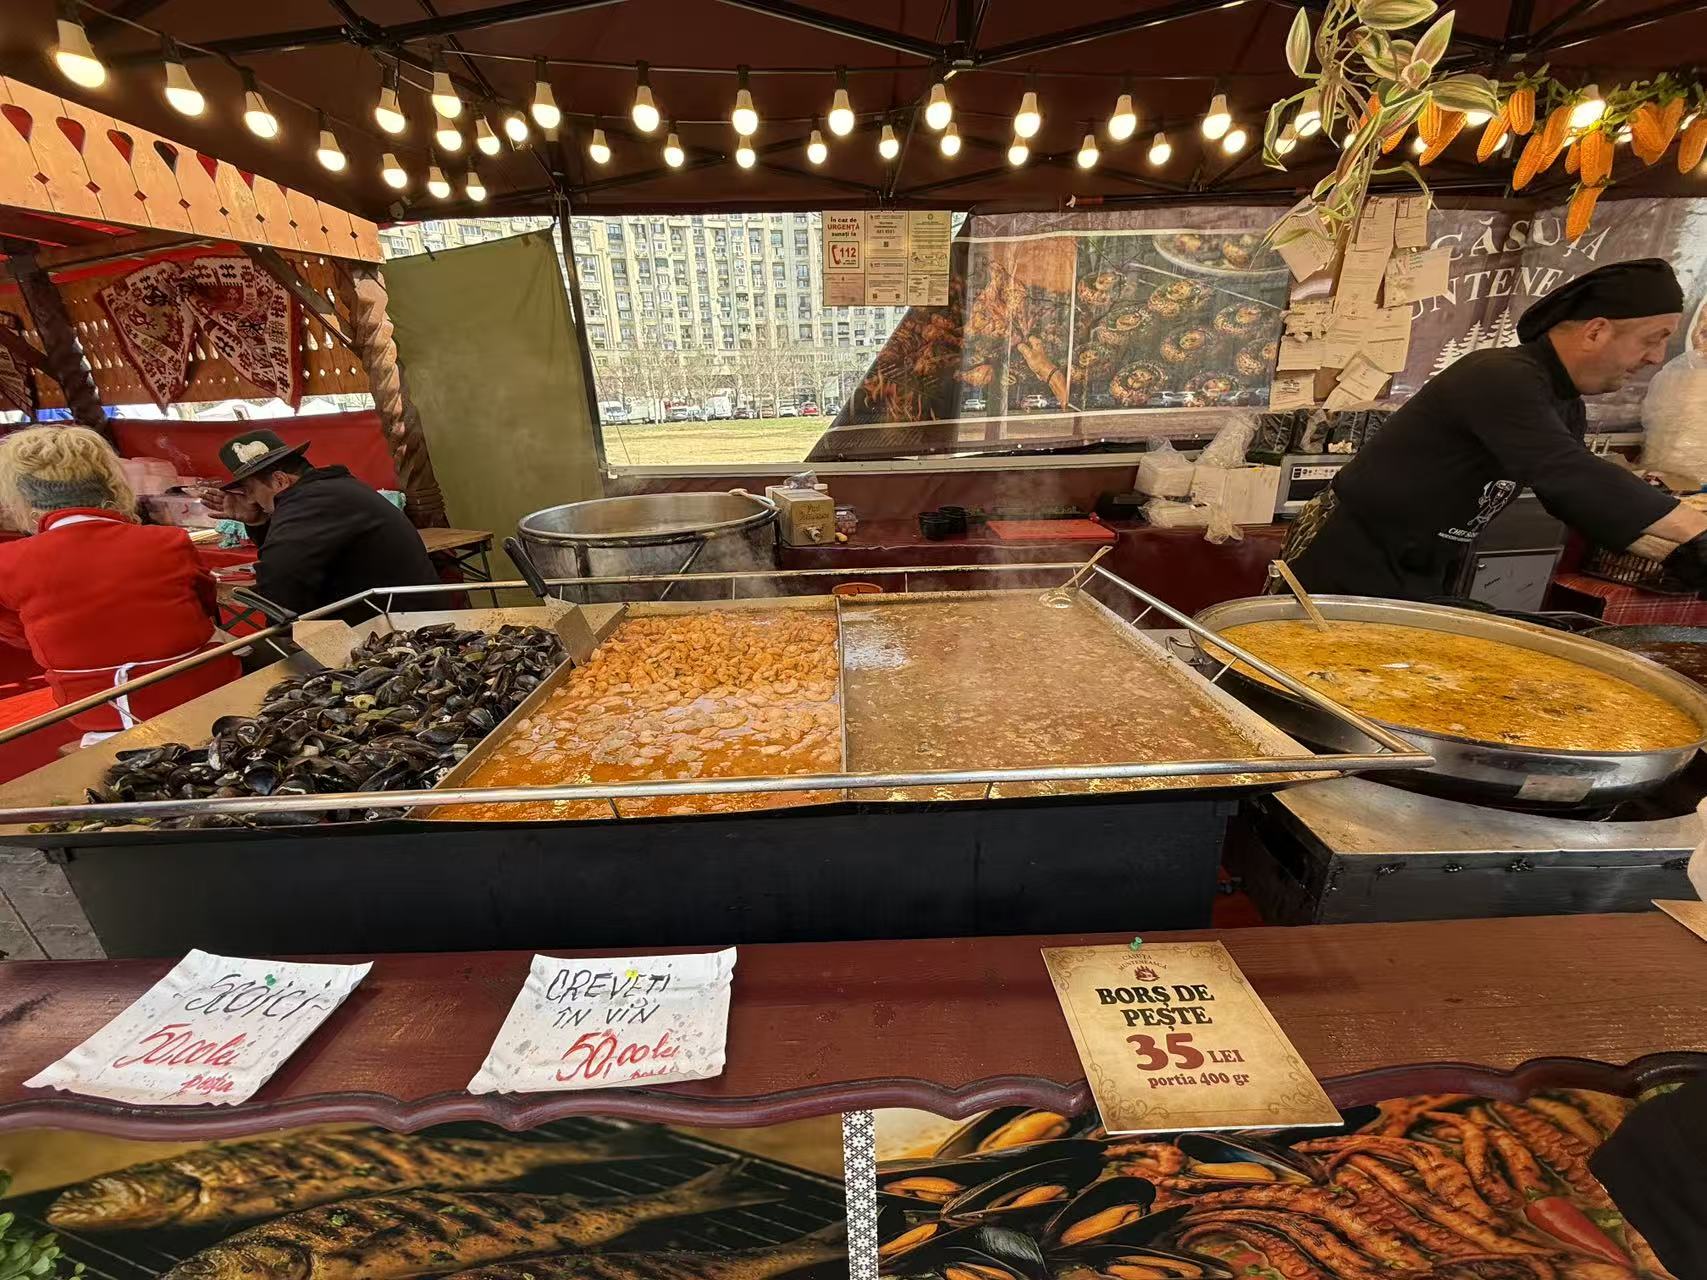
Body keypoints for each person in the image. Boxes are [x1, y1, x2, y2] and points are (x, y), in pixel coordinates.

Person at [1285, 258, 1707, 599]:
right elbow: (1565, 470)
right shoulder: (1499, 375)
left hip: (1423, 567)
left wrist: (1669, 554)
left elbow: (1571, 498)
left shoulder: (1564, 404)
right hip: (1346, 559)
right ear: (1596, 331)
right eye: (1653, 339)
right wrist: (1694, 528)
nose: (1657, 357)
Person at [0, 426, 240, 745]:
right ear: (110, 483)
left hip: (96, 712)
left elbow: (20, 635)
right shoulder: (168, 540)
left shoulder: (9, 560)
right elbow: (205, 605)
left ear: (22, 496)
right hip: (197, 690)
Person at [201, 428, 443, 619]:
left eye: (250, 490)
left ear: (280, 480)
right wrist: (257, 521)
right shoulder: (327, 490)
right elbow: (291, 560)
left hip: (401, 625)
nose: (251, 500)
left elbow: (280, 589)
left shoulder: (309, 502)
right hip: (394, 613)